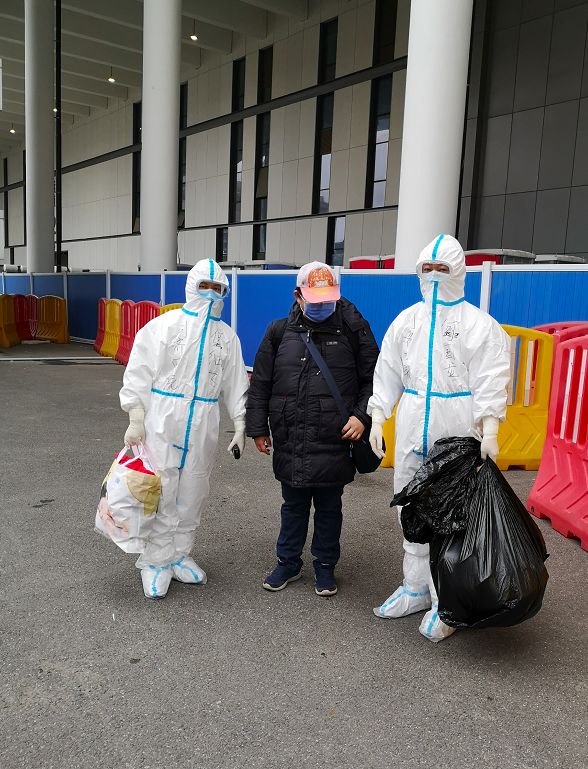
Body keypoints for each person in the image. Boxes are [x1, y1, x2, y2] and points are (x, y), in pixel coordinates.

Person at [368, 234, 511, 642]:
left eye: (441, 268)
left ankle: (445, 602)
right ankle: (414, 587)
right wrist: (378, 414)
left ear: (458, 272)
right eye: (426, 269)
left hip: (455, 426)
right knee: (410, 508)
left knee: (450, 516)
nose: (433, 276)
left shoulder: (479, 326)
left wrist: (490, 428)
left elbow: (491, 378)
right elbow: (388, 370)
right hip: (413, 422)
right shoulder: (407, 321)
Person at [246, 262, 380, 596]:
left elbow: (375, 380)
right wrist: (258, 428)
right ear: (298, 296)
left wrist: (362, 417)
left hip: (336, 437)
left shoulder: (353, 330)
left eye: (328, 299)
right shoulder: (278, 332)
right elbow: (260, 383)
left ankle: (325, 566)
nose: (322, 306)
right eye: (315, 299)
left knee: (330, 508)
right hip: (291, 436)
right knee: (292, 506)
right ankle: (287, 562)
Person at [120, 259, 249, 599]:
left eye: (218, 289)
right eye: (204, 287)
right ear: (191, 287)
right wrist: (136, 416)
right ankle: (156, 561)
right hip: (164, 417)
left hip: (204, 419)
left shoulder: (227, 338)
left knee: (193, 489)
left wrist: (240, 423)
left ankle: (179, 554)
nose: (211, 294)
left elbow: (236, 383)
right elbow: (139, 371)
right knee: (162, 488)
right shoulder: (163, 327)